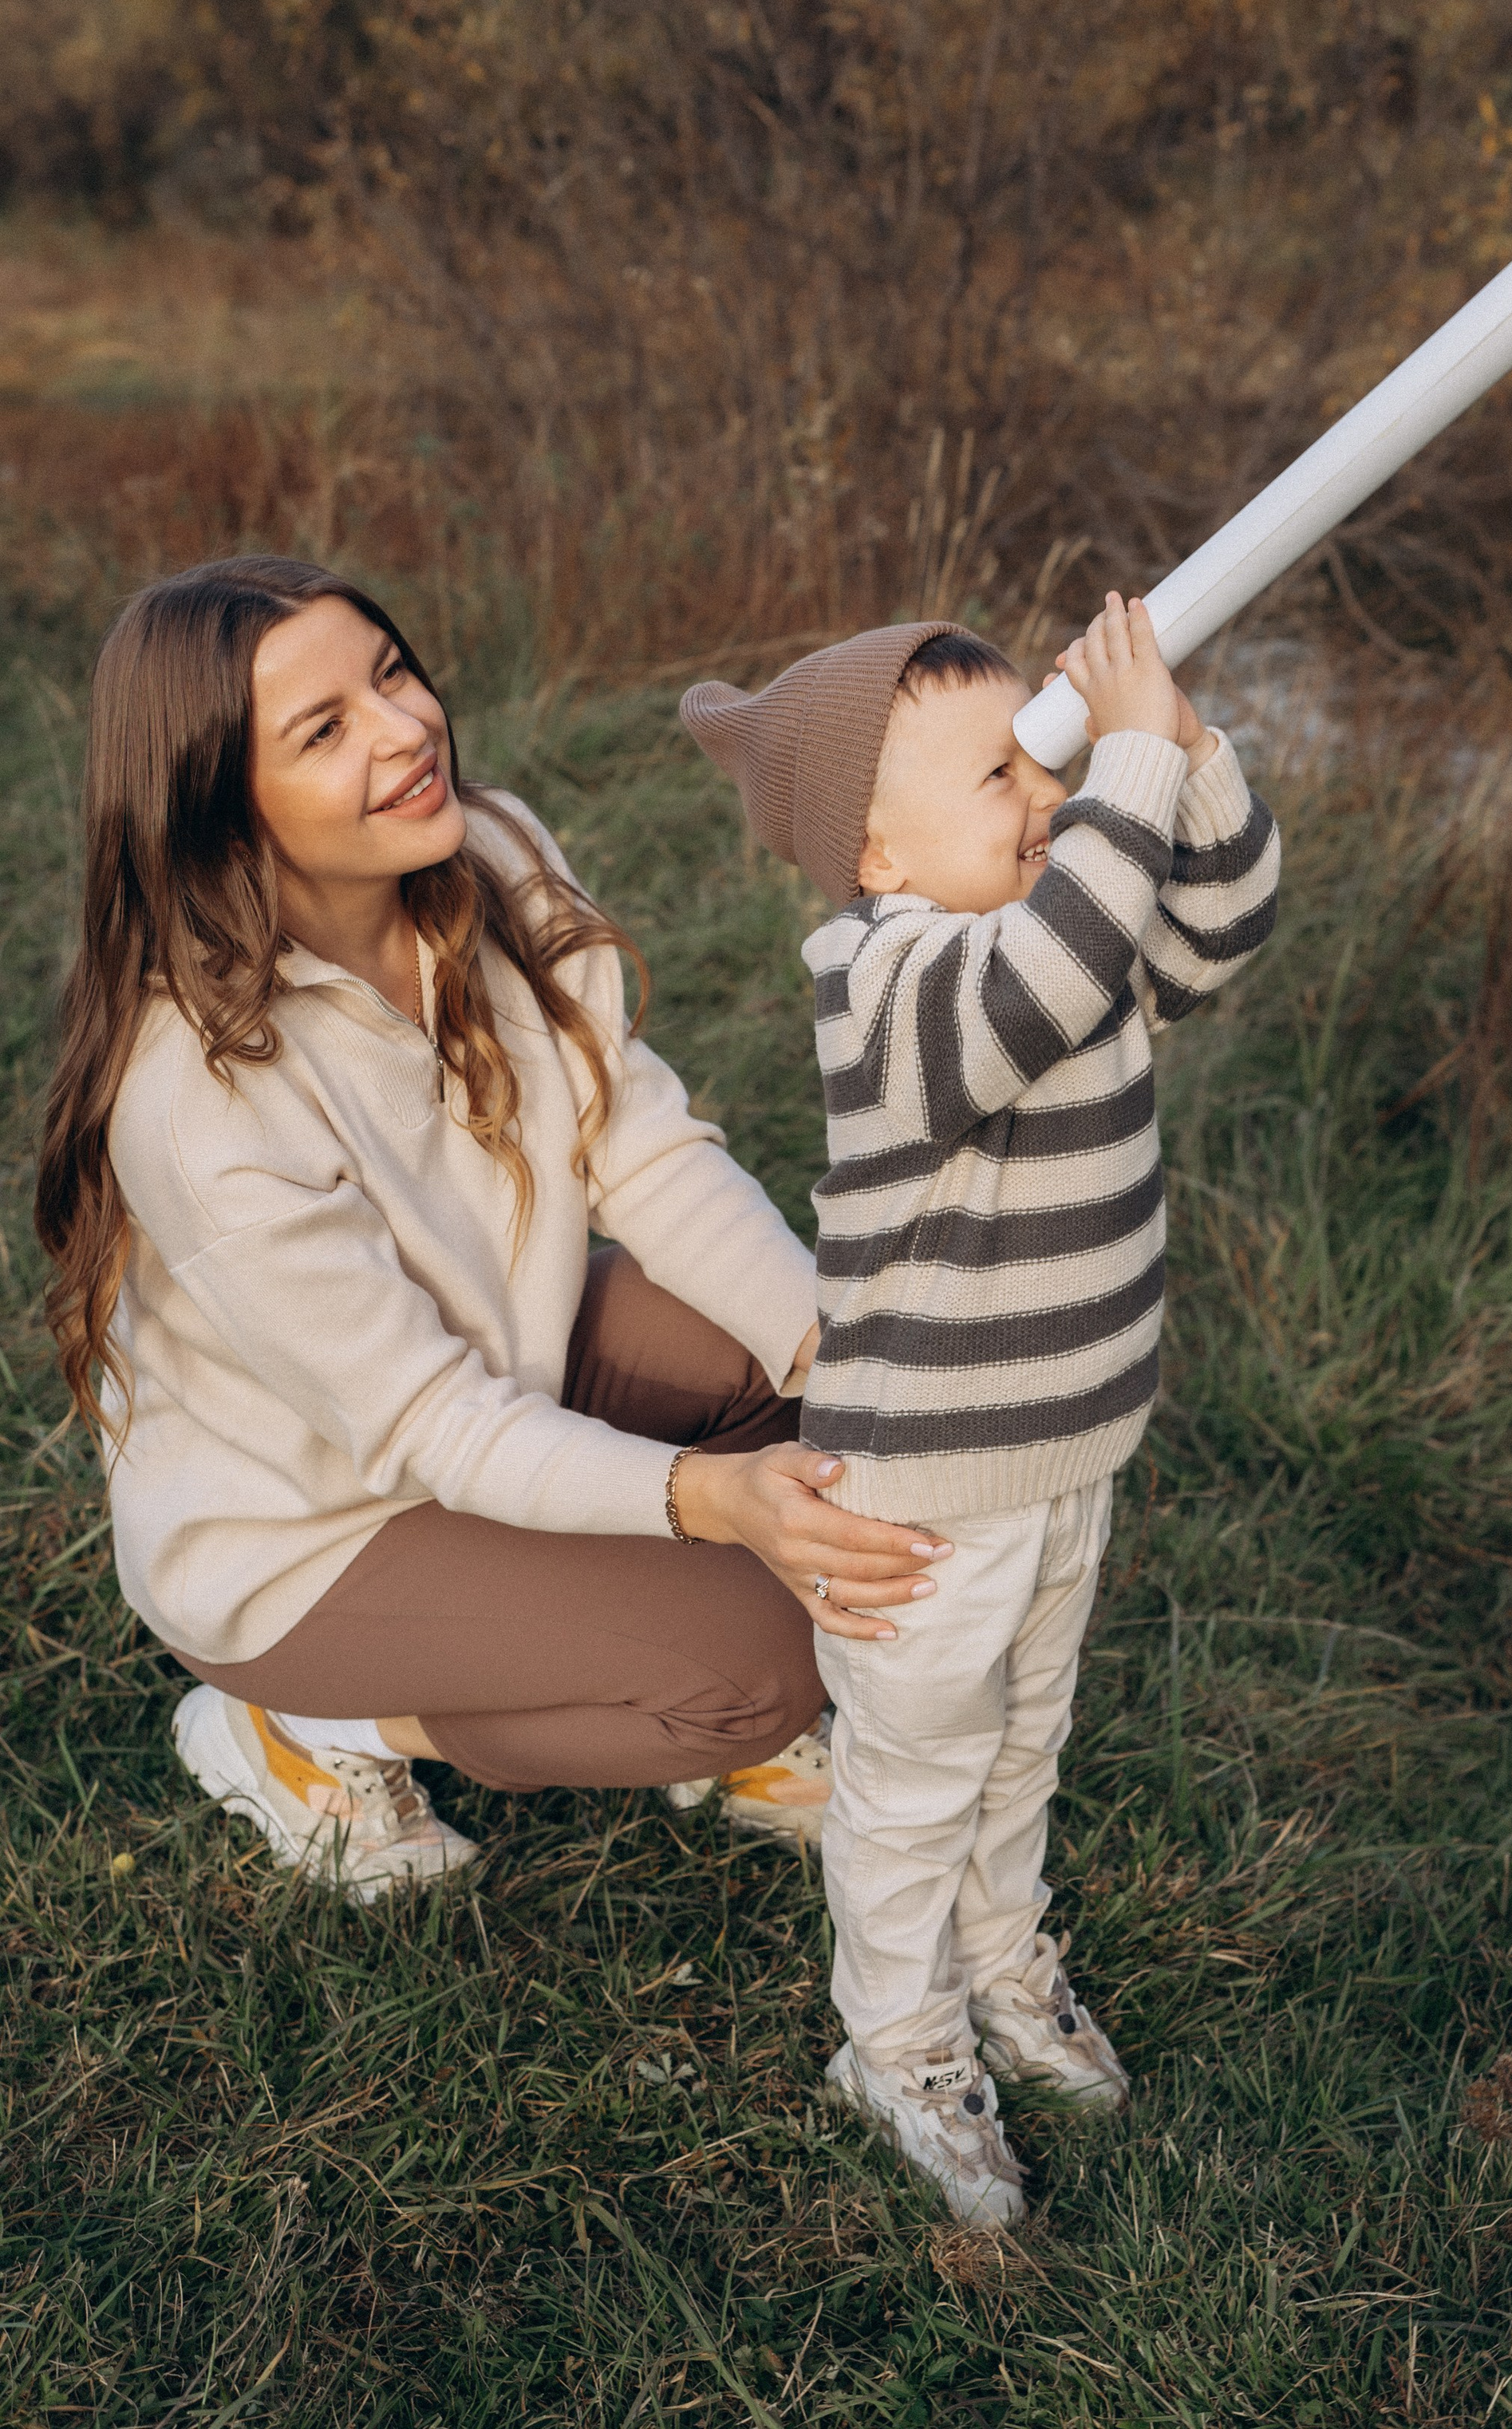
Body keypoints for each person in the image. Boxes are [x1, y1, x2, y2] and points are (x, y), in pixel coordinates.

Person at [34, 557, 949, 1901]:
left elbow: (636, 1146)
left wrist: (831, 1344)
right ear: (220, 810)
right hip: (315, 1529)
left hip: (512, 1358)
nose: (408, 730)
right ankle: (304, 1726)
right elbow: (428, 1427)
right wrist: (710, 1501)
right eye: (325, 729)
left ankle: (630, 1624)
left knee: (834, 1392)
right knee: (767, 1664)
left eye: (391, 672)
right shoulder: (194, 1098)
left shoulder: (489, 848)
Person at [681, 590, 1280, 2225]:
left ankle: (1005, 1965)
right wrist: (1127, 774)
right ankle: (895, 2038)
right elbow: (1046, 973)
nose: (1052, 804)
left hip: (1066, 1453)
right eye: (1004, 781)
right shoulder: (886, 981)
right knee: (913, 1769)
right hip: (928, 1491)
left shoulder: (1068, 942)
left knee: (1023, 1741)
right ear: (872, 854)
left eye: (1053, 767)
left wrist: (1190, 748)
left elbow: (1214, 933)